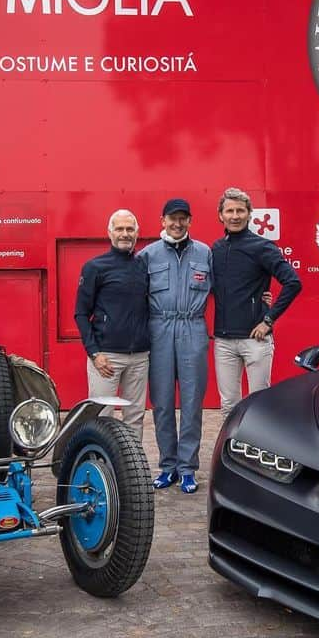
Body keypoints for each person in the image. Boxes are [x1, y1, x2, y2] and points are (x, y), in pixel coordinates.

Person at [138, 198, 212, 493]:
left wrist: (261, 303)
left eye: (183, 218)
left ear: (190, 221)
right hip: (159, 328)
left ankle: (188, 468)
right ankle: (168, 466)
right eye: (172, 218)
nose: (178, 223)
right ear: (162, 220)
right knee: (163, 402)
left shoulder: (205, 253)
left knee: (193, 401)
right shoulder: (148, 255)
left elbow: (229, 288)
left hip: (193, 326)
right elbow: (133, 296)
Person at [211, 187, 302, 420]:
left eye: (240, 210)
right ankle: (229, 452)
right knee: (228, 406)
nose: (235, 216)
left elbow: (293, 282)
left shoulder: (262, 247)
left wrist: (268, 320)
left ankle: (255, 455)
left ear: (249, 214)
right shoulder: (216, 249)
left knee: (259, 407)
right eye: (229, 210)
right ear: (220, 215)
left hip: (256, 340)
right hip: (223, 341)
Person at [74, 210, 150, 433]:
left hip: (139, 357)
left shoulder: (144, 266)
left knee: (135, 417)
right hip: (106, 358)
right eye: (119, 229)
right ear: (110, 233)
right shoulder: (95, 267)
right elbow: (80, 314)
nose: (125, 234)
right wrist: (94, 353)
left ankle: (131, 467)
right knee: (101, 416)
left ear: (137, 232)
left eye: (129, 229)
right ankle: (101, 464)